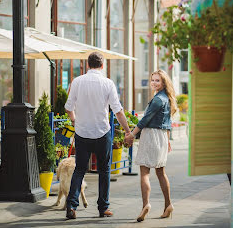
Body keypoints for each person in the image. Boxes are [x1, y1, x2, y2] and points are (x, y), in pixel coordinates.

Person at [64, 52, 131, 219]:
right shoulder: (108, 83)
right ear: (102, 65)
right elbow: (118, 111)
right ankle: (103, 208)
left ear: (88, 65)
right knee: (104, 170)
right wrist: (128, 131)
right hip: (102, 132)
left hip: (82, 132)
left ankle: (71, 206)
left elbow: (68, 106)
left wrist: (74, 121)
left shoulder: (77, 82)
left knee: (79, 170)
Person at [124, 69, 177, 222]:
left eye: (157, 80)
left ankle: (145, 205)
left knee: (145, 173)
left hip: (150, 136)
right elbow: (167, 123)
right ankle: (168, 205)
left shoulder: (157, 100)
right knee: (161, 173)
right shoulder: (166, 98)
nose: (154, 83)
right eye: (152, 80)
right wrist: (167, 141)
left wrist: (131, 135)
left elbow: (144, 120)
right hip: (161, 137)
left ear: (163, 82)